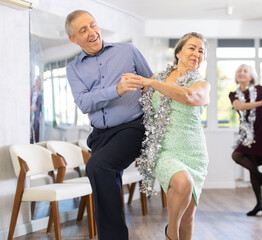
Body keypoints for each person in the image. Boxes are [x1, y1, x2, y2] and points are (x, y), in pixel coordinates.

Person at [65, 10, 153, 239]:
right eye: (83, 30)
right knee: (105, 178)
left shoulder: (128, 51)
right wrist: (117, 89)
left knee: (97, 167)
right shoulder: (73, 68)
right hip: (100, 134)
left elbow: (152, 85)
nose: (92, 32)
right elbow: (83, 102)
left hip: (133, 126)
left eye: (93, 25)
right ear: (73, 39)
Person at [125, 32, 210, 240]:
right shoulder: (156, 78)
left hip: (194, 152)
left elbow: (188, 96)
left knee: (188, 217)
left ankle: (175, 232)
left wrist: (152, 84)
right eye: (192, 48)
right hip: (163, 150)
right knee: (183, 182)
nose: (197, 53)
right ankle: (171, 233)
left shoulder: (201, 85)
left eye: (201, 51)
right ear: (178, 52)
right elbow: (137, 107)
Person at [229, 64, 262, 216]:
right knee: (238, 156)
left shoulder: (261, 90)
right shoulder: (233, 94)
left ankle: (259, 203)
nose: (241, 73)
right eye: (239, 70)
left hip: (259, 129)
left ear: (251, 76)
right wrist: (261, 103)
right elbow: (239, 107)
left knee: (249, 161)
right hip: (245, 131)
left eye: (245, 71)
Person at [30, 75, 43, 143]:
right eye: (35, 81)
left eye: (37, 81)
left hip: (36, 116)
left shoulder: (40, 94)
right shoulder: (33, 92)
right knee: (31, 134)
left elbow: (39, 107)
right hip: (32, 115)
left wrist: (40, 115)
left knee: (36, 133)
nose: (36, 82)